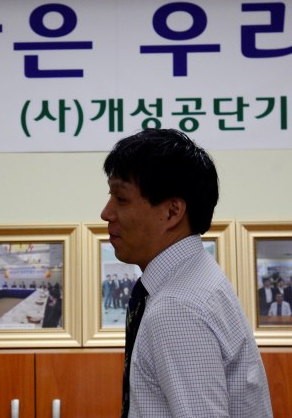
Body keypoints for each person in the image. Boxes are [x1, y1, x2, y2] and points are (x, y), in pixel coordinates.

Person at [100, 128, 272, 418]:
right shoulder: (198, 279)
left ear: (172, 212)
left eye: (121, 198)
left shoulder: (177, 306)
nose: (106, 212)